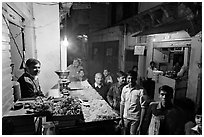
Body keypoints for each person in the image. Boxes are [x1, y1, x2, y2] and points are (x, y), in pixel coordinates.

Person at [120, 70, 147, 135]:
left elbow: (143, 108)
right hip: (125, 117)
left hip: (135, 119)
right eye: (129, 78)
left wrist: (140, 124)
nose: (131, 80)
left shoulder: (141, 91)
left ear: (135, 79)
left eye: (133, 78)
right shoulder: (124, 89)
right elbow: (122, 103)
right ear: (126, 79)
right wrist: (121, 118)